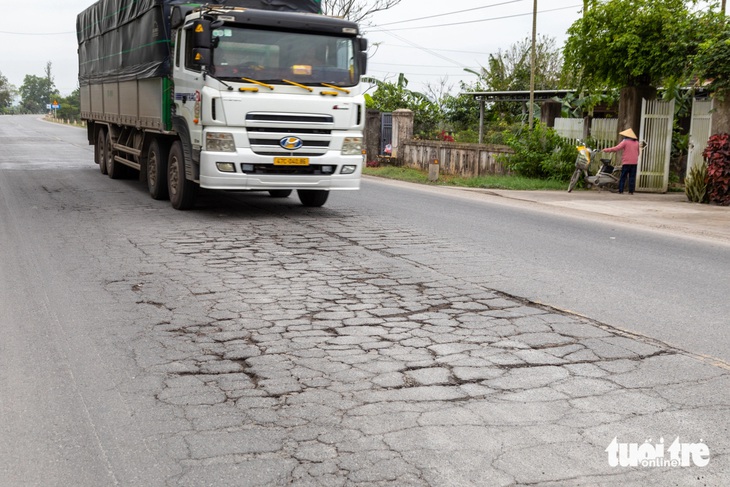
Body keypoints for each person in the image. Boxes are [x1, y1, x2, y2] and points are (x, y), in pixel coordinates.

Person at [604, 128, 640, 194]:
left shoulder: (625, 141)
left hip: (626, 162)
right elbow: (638, 153)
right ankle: (631, 191)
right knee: (632, 177)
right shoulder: (637, 143)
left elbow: (617, 148)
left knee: (623, 176)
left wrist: (607, 150)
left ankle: (621, 190)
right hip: (634, 162)